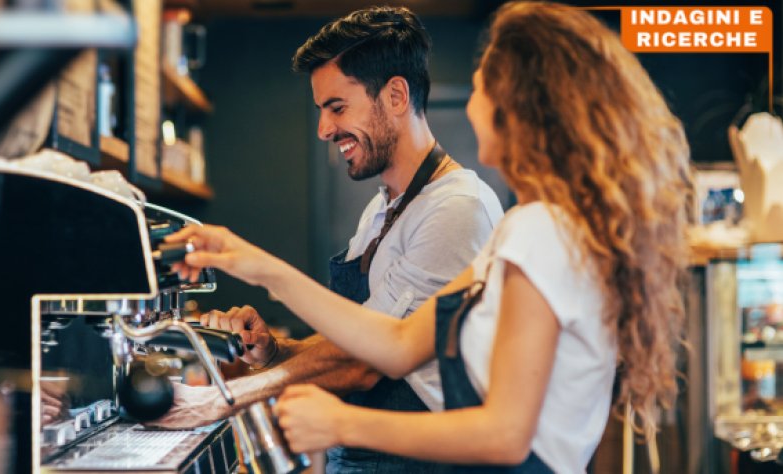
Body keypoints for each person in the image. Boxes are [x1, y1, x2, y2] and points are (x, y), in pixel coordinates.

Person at [164, 2, 694, 472]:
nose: (468, 103)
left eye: (482, 86)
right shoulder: (525, 228)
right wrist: (250, 263)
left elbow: (507, 435)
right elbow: (394, 344)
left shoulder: (538, 230)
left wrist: (337, 424)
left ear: (523, 107)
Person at [152, 6, 504, 473]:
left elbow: (367, 363)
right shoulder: (382, 209)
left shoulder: (457, 208)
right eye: (322, 110)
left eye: (337, 108)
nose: (324, 129)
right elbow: (356, 338)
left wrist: (223, 398)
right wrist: (274, 351)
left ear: (396, 95)